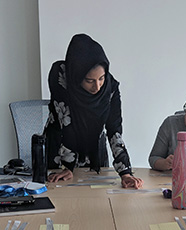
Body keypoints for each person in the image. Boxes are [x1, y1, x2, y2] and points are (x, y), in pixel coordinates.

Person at [44, 34, 143, 189]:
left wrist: (125, 172)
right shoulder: (61, 75)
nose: (97, 87)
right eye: (89, 81)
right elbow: (66, 120)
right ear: (77, 76)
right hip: (60, 150)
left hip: (92, 151)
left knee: (94, 201)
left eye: (101, 78)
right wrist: (67, 167)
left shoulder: (110, 88)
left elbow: (114, 130)